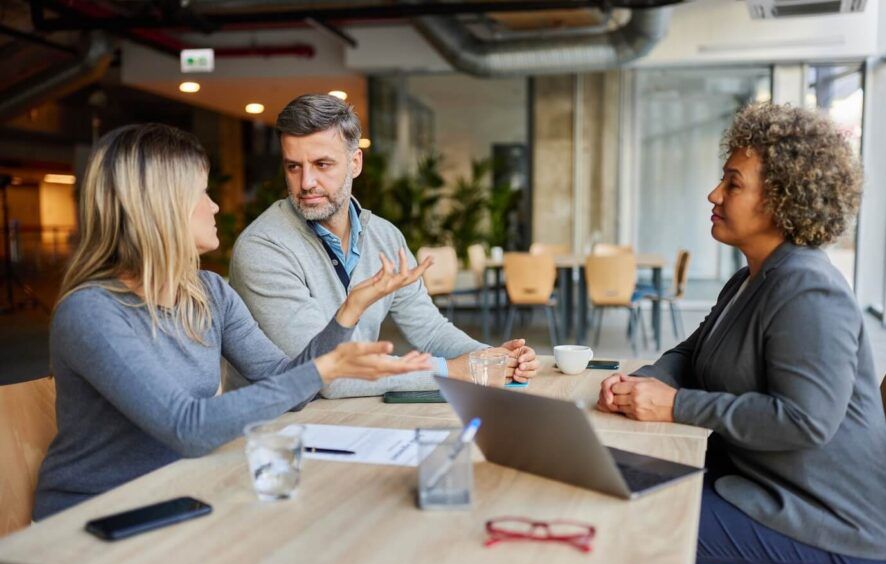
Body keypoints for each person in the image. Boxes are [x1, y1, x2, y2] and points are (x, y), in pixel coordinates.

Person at [34, 123, 432, 524]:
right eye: (202, 194)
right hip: (96, 520)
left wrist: (350, 309)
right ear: (161, 208)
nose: (215, 207)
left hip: (181, 495)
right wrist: (324, 369)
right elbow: (187, 427)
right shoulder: (91, 312)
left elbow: (286, 385)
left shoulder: (208, 292)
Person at [597, 103, 886, 564]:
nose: (714, 193)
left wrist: (674, 404)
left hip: (834, 528)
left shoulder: (809, 291)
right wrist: (647, 382)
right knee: (606, 476)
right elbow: (690, 354)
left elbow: (805, 421)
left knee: (622, 522)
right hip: (770, 488)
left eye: (733, 184)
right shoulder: (750, 278)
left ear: (783, 200)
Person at [226, 94, 540, 398]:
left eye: (322, 164)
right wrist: (453, 370)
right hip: (272, 434)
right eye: (293, 166)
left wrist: (491, 359)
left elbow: (429, 330)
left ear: (355, 163)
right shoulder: (263, 248)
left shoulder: (385, 237)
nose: (306, 182)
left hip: (352, 419)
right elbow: (325, 374)